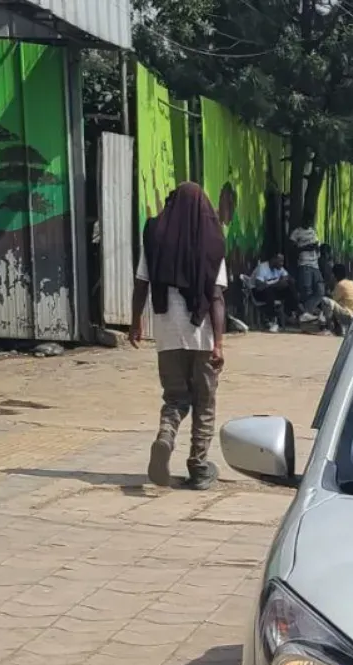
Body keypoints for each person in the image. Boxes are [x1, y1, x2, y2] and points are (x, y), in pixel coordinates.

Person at [129, 182, 227, 491]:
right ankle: (198, 467)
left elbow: (142, 283)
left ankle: (166, 437)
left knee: (175, 397)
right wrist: (220, 343)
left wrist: (135, 322)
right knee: (204, 401)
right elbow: (216, 297)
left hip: (166, 330)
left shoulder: (155, 234)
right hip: (202, 335)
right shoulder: (212, 239)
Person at [250, 253, 296, 327]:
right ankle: (270, 319)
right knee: (269, 292)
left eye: (282, 261)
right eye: (280, 261)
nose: (282, 264)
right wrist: (276, 283)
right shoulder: (263, 268)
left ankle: (290, 313)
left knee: (289, 288)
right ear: (273, 260)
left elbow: (288, 278)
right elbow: (259, 287)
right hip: (257, 292)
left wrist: (284, 281)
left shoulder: (279, 268)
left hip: (271, 290)